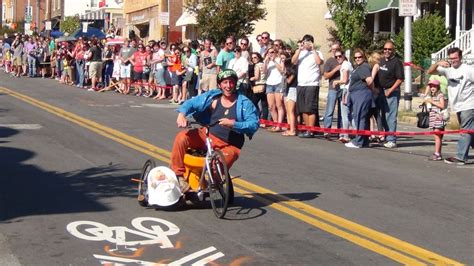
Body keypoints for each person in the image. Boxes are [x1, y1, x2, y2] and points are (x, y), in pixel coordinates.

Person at [170, 69, 259, 192]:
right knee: (182, 137)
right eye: (225, 82)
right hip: (207, 136)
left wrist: (234, 124)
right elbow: (191, 103)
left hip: (230, 145)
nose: (228, 86)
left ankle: (215, 181)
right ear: (220, 85)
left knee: (215, 168)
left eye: (231, 82)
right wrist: (182, 114)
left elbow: (254, 124)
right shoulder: (213, 97)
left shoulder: (244, 103)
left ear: (235, 84)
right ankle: (178, 176)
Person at [427, 47, 474, 165]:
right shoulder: (448, 70)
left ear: (461, 57)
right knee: (469, 131)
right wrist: (438, 63)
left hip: (468, 104)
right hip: (457, 106)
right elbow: (430, 71)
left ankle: (461, 156)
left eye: (456, 58)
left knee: (465, 131)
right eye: (451, 58)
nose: (453, 61)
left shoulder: (468, 70)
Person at [291, 34, 324, 138]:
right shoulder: (300, 53)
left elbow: (319, 62)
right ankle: (307, 129)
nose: (306, 43)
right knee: (303, 108)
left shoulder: (317, 53)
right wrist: (299, 50)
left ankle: (311, 130)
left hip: (312, 84)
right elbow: (293, 61)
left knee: (311, 108)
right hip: (301, 84)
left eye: (309, 41)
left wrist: (313, 50)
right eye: (305, 41)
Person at [345, 49, 374, 148]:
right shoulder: (358, 67)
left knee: (360, 118)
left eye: (359, 57)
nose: (357, 59)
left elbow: (369, 81)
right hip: (358, 94)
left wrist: (371, 90)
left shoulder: (363, 67)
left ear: (364, 57)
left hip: (361, 94)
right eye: (355, 57)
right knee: (363, 118)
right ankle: (364, 141)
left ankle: (358, 142)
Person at [377, 41, 404, 148]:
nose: (387, 51)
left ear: (393, 50)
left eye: (389, 49)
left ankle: (392, 140)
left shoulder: (396, 62)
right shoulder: (382, 60)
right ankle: (386, 137)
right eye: (385, 49)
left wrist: (390, 90)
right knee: (383, 116)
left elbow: (400, 78)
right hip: (381, 92)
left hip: (392, 93)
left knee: (391, 117)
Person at [423, 79, 447, 161]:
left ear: (438, 87)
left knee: (437, 136)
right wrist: (427, 102)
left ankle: (437, 153)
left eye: (434, 86)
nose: (432, 88)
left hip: (438, 118)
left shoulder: (440, 95)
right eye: (431, 86)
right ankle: (438, 153)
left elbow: (442, 105)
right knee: (437, 136)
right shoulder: (431, 95)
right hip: (433, 117)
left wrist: (432, 101)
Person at [322, 42, 342, 138]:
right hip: (333, 89)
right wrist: (336, 69)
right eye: (333, 49)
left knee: (342, 112)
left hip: (342, 89)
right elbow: (325, 76)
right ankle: (327, 130)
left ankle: (341, 131)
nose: (335, 51)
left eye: (336, 49)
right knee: (330, 110)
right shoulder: (330, 61)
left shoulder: (344, 59)